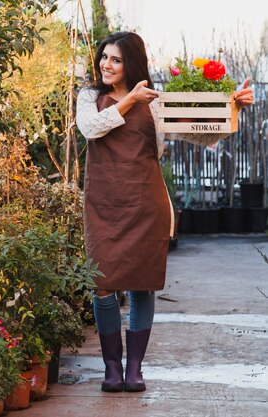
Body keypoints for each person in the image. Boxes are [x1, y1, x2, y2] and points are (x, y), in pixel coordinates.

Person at [75, 31, 254, 393]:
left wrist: (233, 107)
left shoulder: (155, 103)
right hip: (103, 205)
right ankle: (112, 366)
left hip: (145, 204)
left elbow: (201, 135)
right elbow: (90, 128)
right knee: (103, 286)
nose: (106, 65)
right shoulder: (89, 97)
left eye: (116, 60)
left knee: (143, 285)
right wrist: (128, 102)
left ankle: (134, 369)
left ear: (132, 64)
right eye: (104, 57)